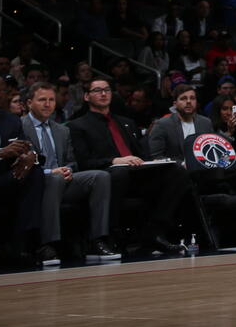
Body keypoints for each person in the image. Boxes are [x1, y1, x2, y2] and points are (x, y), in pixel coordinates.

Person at [67, 78, 189, 256]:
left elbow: (140, 153)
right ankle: (110, 235)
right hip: (108, 175)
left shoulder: (125, 122)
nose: (103, 94)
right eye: (97, 90)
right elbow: (83, 162)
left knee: (177, 172)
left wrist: (153, 163)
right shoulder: (77, 125)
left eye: (107, 90)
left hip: (136, 174)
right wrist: (115, 160)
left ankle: (155, 231)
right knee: (119, 173)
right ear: (86, 96)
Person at [21, 82, 120, 263]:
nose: (47, 104)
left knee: (101, 177)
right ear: (29, 103)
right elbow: (20, 164)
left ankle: (96, 241)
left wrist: (68, 169)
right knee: (55, 179)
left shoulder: (62, 130)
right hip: (34, 183)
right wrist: (51, 172)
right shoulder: (20, 127)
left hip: (63, 180)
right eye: (42, 100)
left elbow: (72, 161)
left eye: (51, 100)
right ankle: (47, 245)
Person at [0, 75, 45, 266]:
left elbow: (26, 146)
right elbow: (5, 152)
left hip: (1, 180)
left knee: (35, 172)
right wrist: (0, 152)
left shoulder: (11, 120)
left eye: (2, 91)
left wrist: (29, 156)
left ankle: (24, 242)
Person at [148, 84, 215, 160]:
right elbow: (157, 156)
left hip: (202, 169)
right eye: (183, 98)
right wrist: (182, 164)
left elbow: (212, 150)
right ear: (175, 104)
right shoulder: (162, 125)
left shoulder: (205, 123)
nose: (189, 101)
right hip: (175, 170)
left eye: (192, 98)